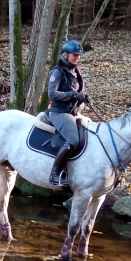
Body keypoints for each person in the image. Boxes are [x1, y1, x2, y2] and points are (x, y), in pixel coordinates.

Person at [47, 39, 89, 186]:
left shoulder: (76, 72)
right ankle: (54, 174)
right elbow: (52, 94)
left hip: (73, 113)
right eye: (74, 55)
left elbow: (77, 92)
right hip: (59, 112)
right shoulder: (57, 72)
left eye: (79, 55)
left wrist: (82, 98)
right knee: (73, 139)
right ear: (65, 55)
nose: (77, 57)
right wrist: (72, 95)